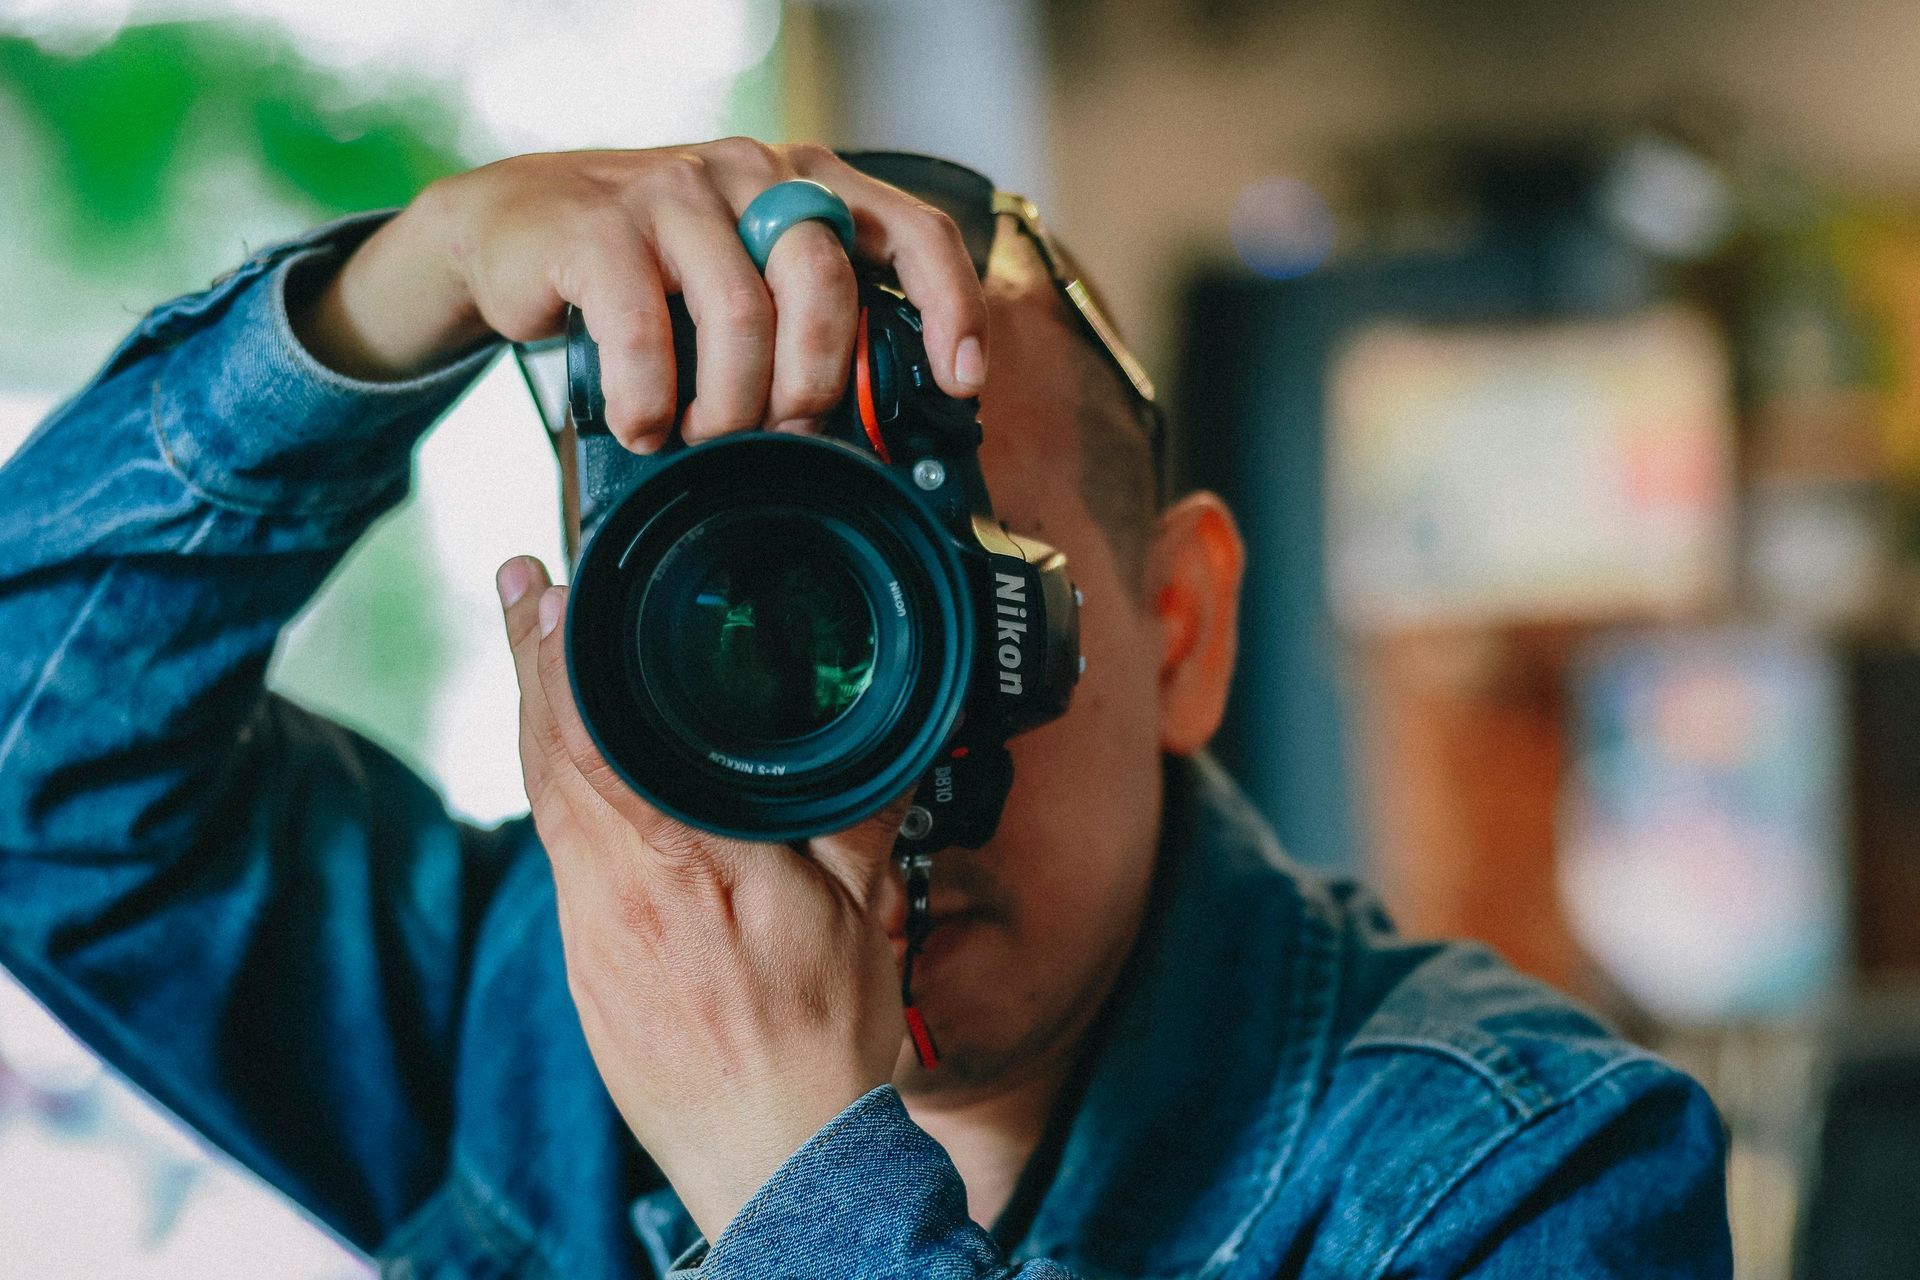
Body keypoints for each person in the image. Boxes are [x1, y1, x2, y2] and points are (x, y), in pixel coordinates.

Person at [0, 138, 1731, 1278]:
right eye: (753, 621)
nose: (868, 781)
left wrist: (796, 1190)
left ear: (1179, 628)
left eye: (939, 608)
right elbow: (36, 765)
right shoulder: (524, 1022)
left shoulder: (1514, 1186)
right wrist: (396, 288)